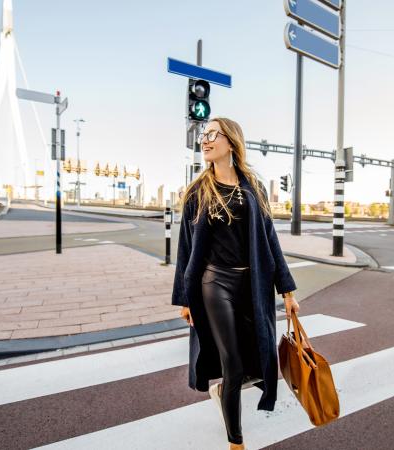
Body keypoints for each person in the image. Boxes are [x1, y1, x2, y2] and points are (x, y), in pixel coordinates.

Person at [171, 117, 300, 450]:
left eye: (213, 134)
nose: (205, 139)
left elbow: (271, 241)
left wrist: (287, 291)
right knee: (232, 361)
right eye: (204, 135)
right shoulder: (198, 192)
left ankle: (222, 391)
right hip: (215, 284)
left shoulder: (253, 188)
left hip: (252, 284)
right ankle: (236, 442)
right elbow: (185, 249)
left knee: (257, 358)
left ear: (231, 141)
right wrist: (185, 298)